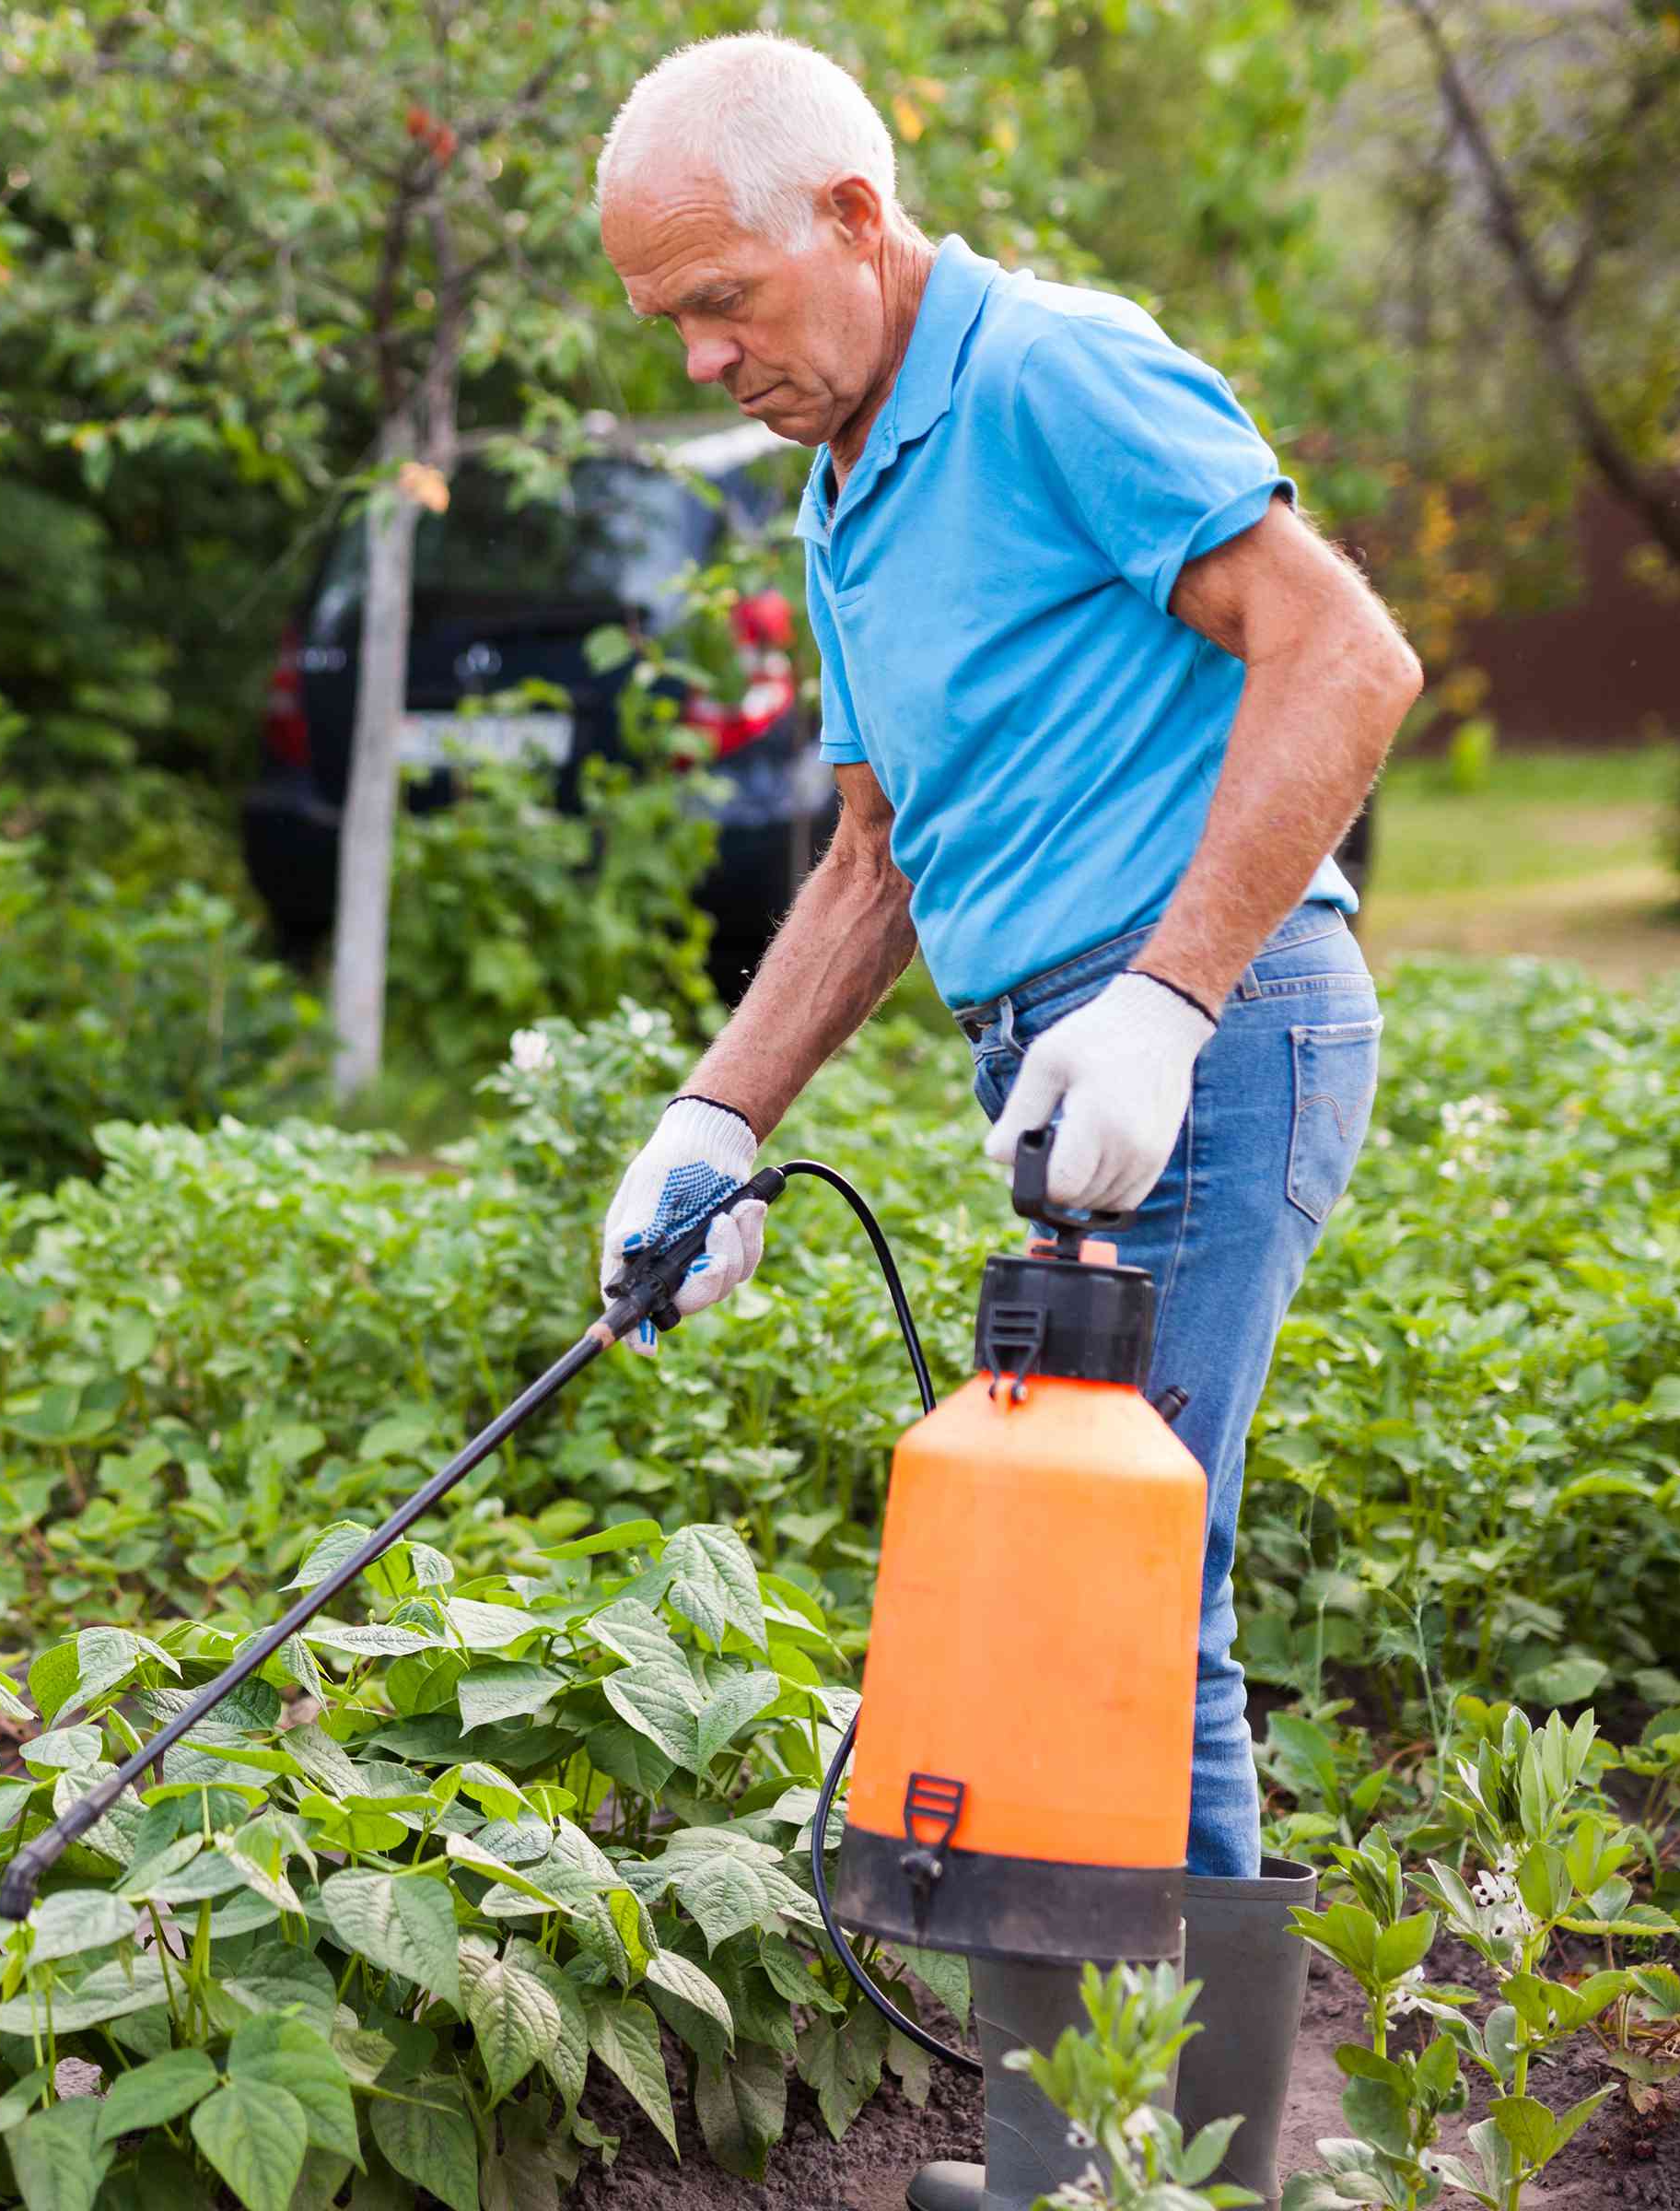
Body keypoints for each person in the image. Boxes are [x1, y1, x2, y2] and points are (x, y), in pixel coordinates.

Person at [589, 33, 1422, 2211]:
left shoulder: (1051, 371)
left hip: (1214, 1043)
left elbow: (1345, 656)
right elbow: (871, 864)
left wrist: (1160, 998)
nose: (706, 350)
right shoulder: (849, 481)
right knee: (1109, 1584)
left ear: (855, 219)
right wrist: (708, 1119)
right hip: (1062, 1058)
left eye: (725, 297)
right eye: (667, 315)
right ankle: (1123, 2163)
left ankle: (1165, 2176)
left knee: (1146, 1590)